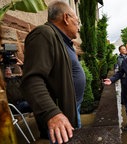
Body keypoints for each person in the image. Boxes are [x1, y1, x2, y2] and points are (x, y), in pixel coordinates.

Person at [21, 1, 86, 143]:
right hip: (60, 117)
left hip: (72, 109)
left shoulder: (63, 40)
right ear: (66, 18)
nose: (79, 26)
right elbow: (31, 81)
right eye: (77, 21)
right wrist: (52, 113)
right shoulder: (43, 34)